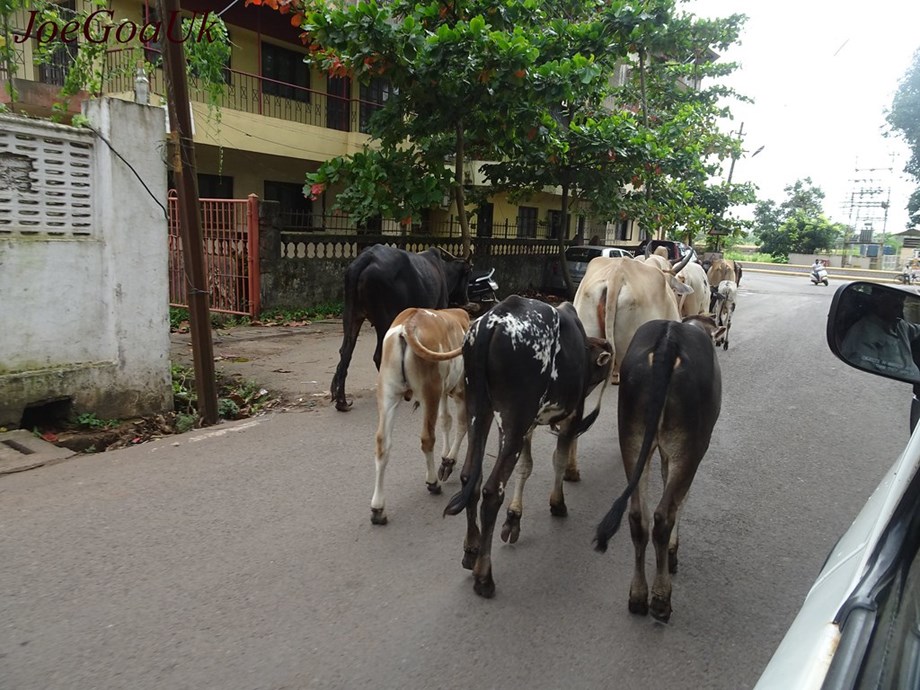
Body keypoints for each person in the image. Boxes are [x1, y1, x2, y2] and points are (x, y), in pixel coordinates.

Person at [840, 289, 920, 381]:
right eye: (893, 298)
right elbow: (865, 374)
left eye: (901, 298)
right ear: (878, 301)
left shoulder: (901, 325)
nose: (899, 303)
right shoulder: (863, 333)